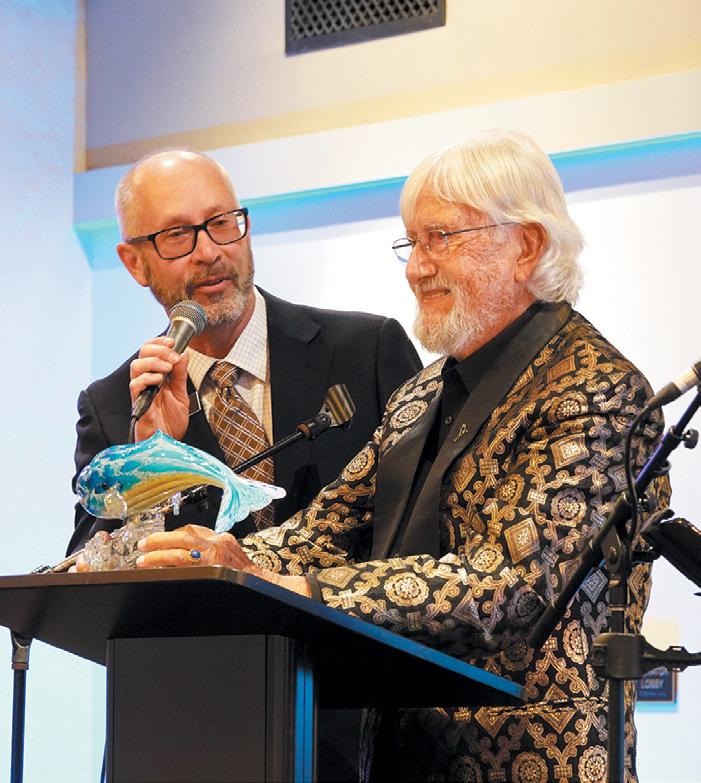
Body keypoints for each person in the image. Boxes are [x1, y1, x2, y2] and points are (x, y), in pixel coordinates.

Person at [86, 130, 670, 782]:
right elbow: (325, 529)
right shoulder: (425, 392)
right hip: (400, 760)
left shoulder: (597, 391)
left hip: (536, 763)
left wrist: (292, 588)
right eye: (412, 242)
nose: (416, 268)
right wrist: (218, 558)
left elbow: (508, 587)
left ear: (526, 246)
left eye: (441, 238)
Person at [68, 149, 421, 554]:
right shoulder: (116, 408)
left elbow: (429, 519)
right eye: (178, 234)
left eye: (222, 223)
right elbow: (85, 568)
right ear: (134, 263)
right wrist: (150, 463)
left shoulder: (367, 349)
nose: (209, 252)